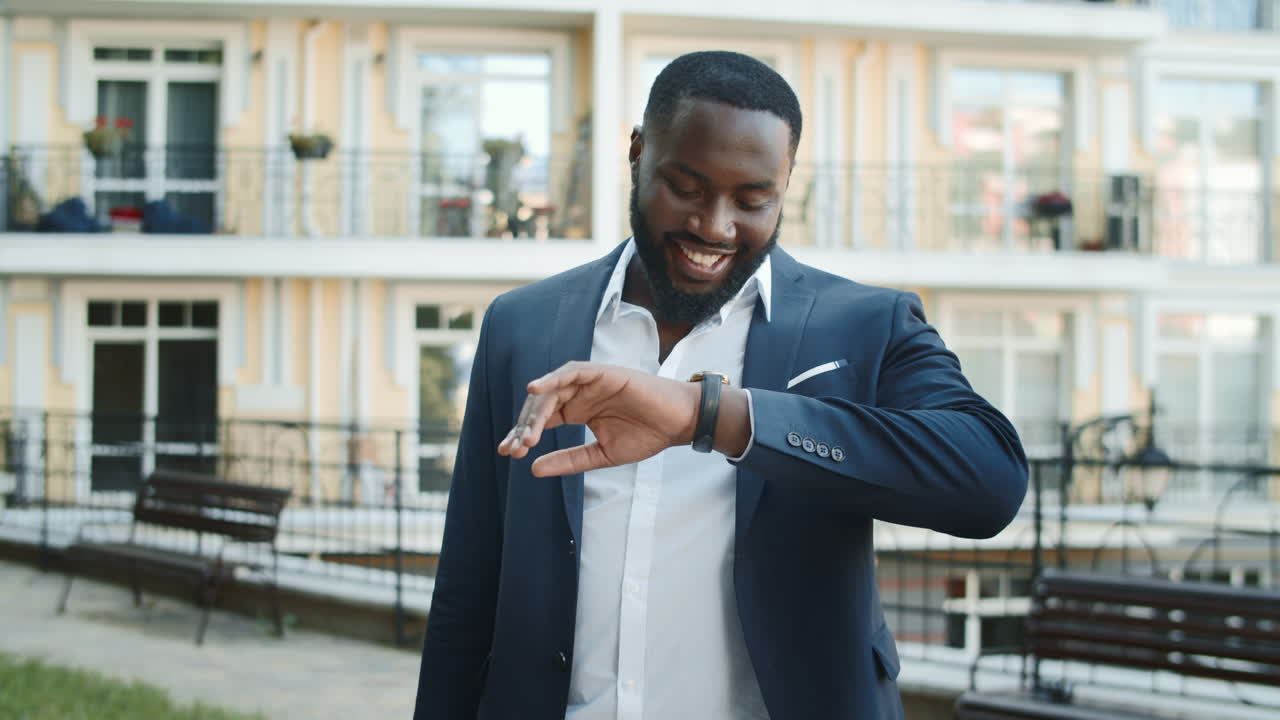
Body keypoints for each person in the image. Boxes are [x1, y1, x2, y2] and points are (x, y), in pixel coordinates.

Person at [413, 51, 1028, 720]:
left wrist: (711, 417)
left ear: (784, 188)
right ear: (638, 153)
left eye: (752, 199)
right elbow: (468, 591)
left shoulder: (864, 325)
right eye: (686, 186)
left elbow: (989, 480)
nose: (714, 225)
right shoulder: (522, 324)